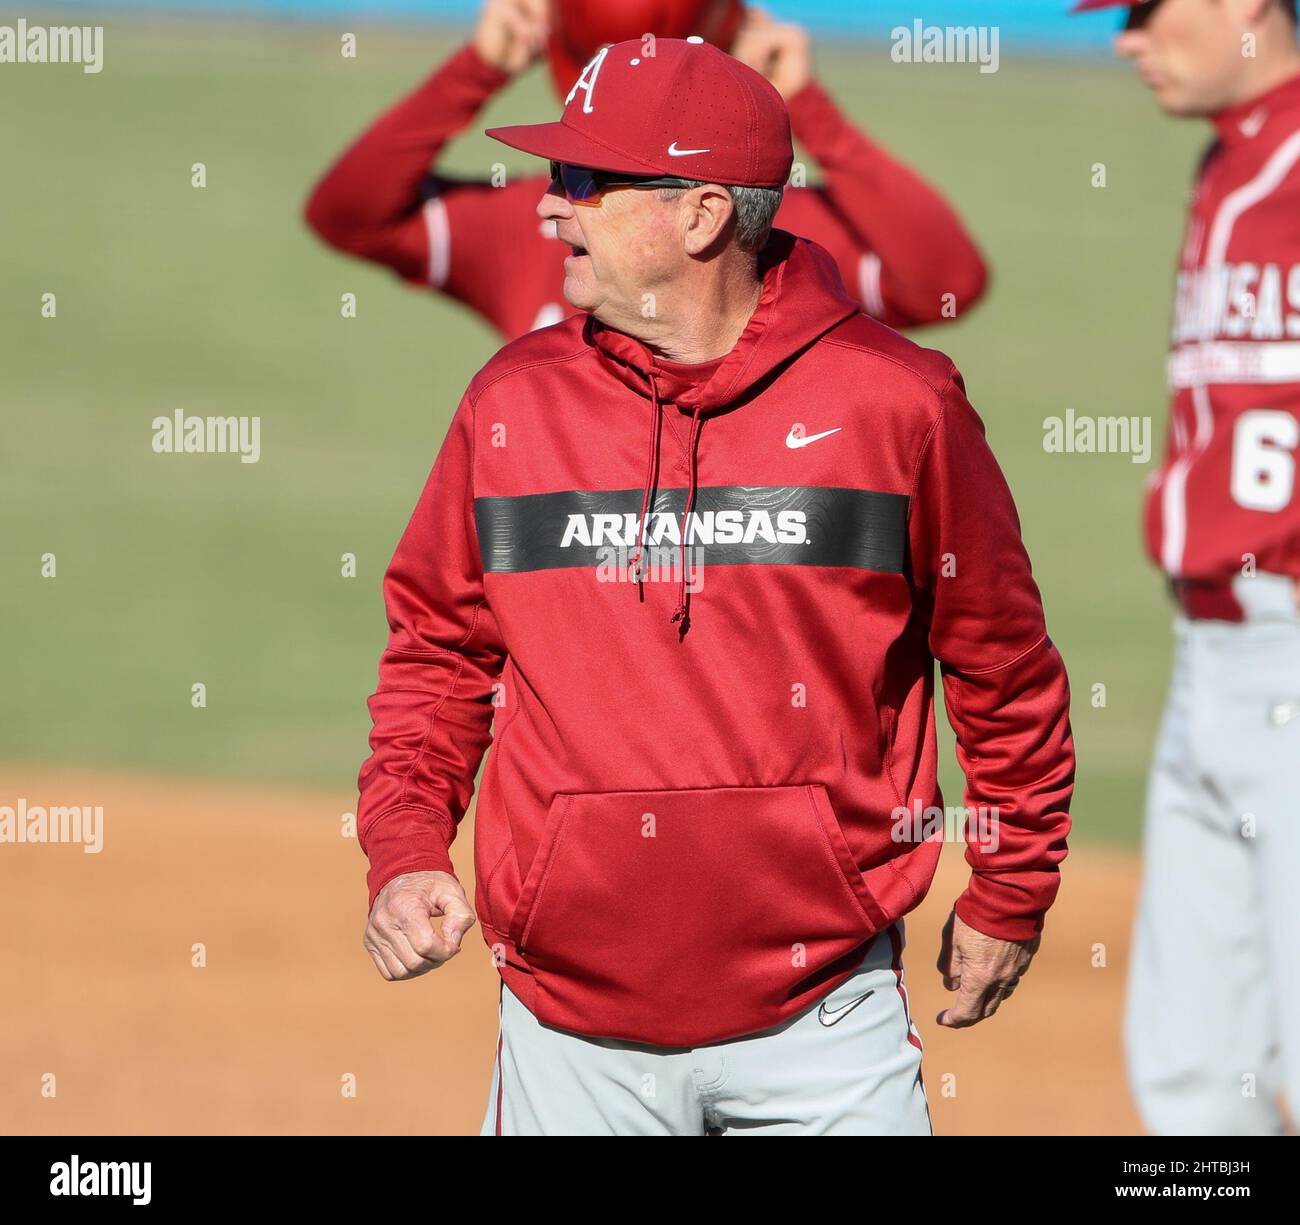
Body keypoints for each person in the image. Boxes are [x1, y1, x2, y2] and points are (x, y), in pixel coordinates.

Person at [355, 37, 1074, 1136]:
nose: (549, 210)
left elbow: (1000, 661)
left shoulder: (900, 405)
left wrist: (1011, 883)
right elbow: (437, 654)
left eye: (584, 183)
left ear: (699, 217)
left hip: (823, 1025)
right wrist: (406, 849)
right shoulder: (510, 405)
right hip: (565, 1032)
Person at [1075, 0, 1300, 1134]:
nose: (1124, 38)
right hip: (1209, 651)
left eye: (1143, 11)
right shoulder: (1229, 160)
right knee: (1190, 1067)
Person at [304, 0, 988, 340]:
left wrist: (479, 70)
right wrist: (805, 108)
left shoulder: (782, 232)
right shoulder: (534, 218)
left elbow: (944, 283)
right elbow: (347, 215)